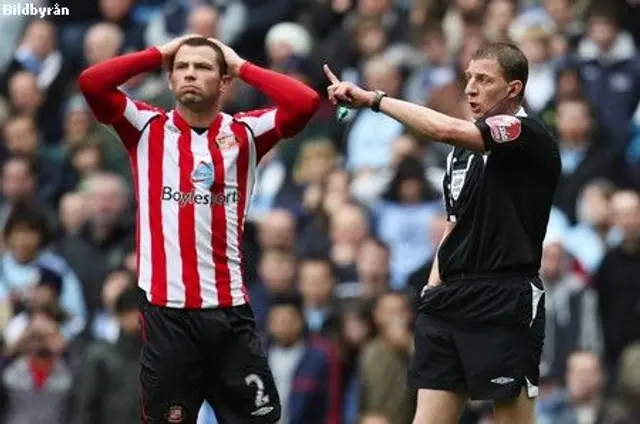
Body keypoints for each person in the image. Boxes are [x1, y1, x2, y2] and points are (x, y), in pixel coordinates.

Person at [78, 34, 320, 424]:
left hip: (229, 317)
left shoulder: (246, 133)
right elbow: (91, 82)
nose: (190, 74)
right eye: (182, 67)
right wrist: (158, 54)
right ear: (171, 80)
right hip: (167, 317)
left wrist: (242, 67)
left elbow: (305, 102)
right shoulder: (144, 127)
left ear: (224, 82)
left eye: (204, 67)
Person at [324, 42, 561, 424]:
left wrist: (374, 100)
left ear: (513, 89)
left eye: (484, 80)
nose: (470, 88)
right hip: (448, 300)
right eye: (469, 77)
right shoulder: (460, 155)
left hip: (503, 295)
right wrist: (434, 287)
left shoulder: (526, 131)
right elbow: (455, 223)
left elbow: (445, 128)